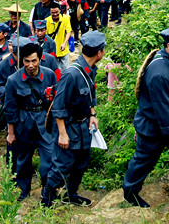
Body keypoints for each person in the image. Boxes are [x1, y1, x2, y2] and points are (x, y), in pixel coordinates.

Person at [122, 26, 169, 207]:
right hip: (153, 125)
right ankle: (130, 193)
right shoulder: (159, 72)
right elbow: (161, 108)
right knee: (144, 159)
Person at [41, 30, 107, 207]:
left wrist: (92, 114)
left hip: (84, 126)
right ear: (99, 52)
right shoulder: (71, 74)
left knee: (81, 164)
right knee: (62, 165)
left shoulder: (90, 70)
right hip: (68, 127)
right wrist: (62, 134)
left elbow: (90, 93)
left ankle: (71, 194)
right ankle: (46, 200)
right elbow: (58, 106)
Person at [3, 38, 57, 200]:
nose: (31, 65)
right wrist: (11, 133)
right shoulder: (13, 80)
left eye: (34, 60)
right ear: (22, 61)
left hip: (45, 121)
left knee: (49, 157)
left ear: (40, 59)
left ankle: (47, 191)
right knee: (23, 160)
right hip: (23, 122)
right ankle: (24, 189)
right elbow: (10, 108)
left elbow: (55, 101)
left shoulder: (49, 75)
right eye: (27, 61)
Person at [46, 5, 72, 71]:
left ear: (60, 10)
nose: (55, 14)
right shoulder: (47, 21)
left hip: (63, 49)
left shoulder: (65, 18)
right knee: (55, 70)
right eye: (52, 13)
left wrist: (64, 43)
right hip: (52, 51)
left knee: (66, 69)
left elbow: (68, 32)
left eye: (56, 12)